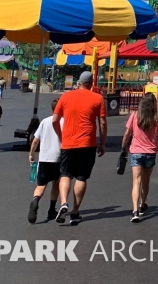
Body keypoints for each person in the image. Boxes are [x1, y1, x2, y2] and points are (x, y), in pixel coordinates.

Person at [52, 71, 106, 225]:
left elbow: (55, 120)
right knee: (81, 177)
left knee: (65, 174)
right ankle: (75, 211)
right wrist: (102, 143)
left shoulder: (66, 96)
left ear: (79, 82)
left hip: (68, 142)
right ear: (91, 83)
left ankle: (63, 202)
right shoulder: (98, 98)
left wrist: (61, 136)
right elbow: (102, 122)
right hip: (88, 143)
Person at [120, 93, 158, 222]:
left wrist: (123, 145)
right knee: (146, 181)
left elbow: (127, 133)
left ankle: (135, 211)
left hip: (136, 151)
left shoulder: (135, 116)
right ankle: (142, 205)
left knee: (136, 182)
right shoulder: (157, 118)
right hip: (150, 152)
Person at [28, 98, 62, 223]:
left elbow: (36, 140)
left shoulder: (45, 121)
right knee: (56, 184)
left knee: (41, 185)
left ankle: (35, 200)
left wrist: (31, 153)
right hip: (58, 158)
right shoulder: (65, 122)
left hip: (44, 158)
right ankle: (52, 209)